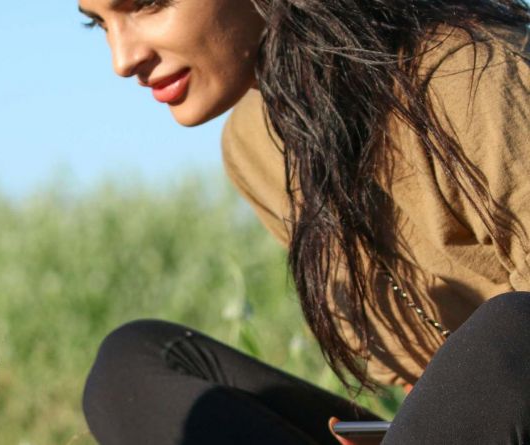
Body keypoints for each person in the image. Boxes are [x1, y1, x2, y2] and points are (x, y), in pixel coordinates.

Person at [76, 1, 530, 444]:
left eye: (149, 4)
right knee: (130, 369)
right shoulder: (256, 145)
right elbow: (427, 377)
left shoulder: (472, 71)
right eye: (99, 24)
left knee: (512, 326)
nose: (122, 59)